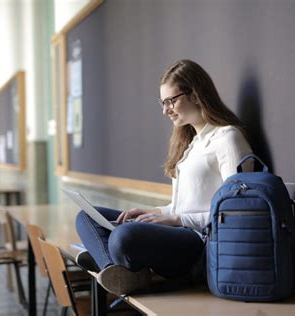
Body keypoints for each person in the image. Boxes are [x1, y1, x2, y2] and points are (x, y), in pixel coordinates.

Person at [75, 59, 253, 295]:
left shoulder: (227, 138)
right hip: (180, 232)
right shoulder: (190, 144)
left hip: (202, 243)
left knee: (124, 236)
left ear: (196, 94)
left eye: (171, 101)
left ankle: (113, 259)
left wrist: (177, 220)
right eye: (163, 102)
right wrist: (154, 213)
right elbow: (181, 207)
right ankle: (116, 270)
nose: (165, 109)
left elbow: (237, 212)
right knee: (86, 216)